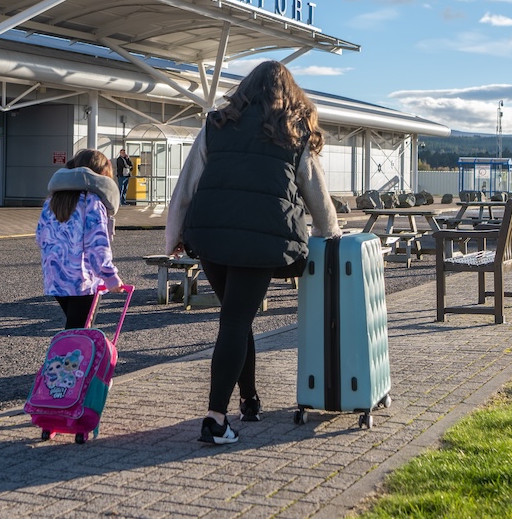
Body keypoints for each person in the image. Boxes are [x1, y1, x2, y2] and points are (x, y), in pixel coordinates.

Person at [166, 61, 342, 444]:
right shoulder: (293, 132)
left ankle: (249, 401)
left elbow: (186, 187)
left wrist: (173, 237)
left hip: (211, 237)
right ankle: (215, 420)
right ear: (289, 93)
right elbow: (318, 195)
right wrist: (332, 236)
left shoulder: (215, 125)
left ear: (246, 90)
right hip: (262, 241)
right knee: (234, 320)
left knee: (236, 317)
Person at [37, 148, 125, 330]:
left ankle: (76, 357)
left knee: (76, 326)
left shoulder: (52, 200)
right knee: (79, 330)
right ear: (100, 174)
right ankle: (70, 358)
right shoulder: (91, 201)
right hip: (82, 279)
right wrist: (110, 276)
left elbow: (40, 236)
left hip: (56, 277)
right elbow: (97, 243)